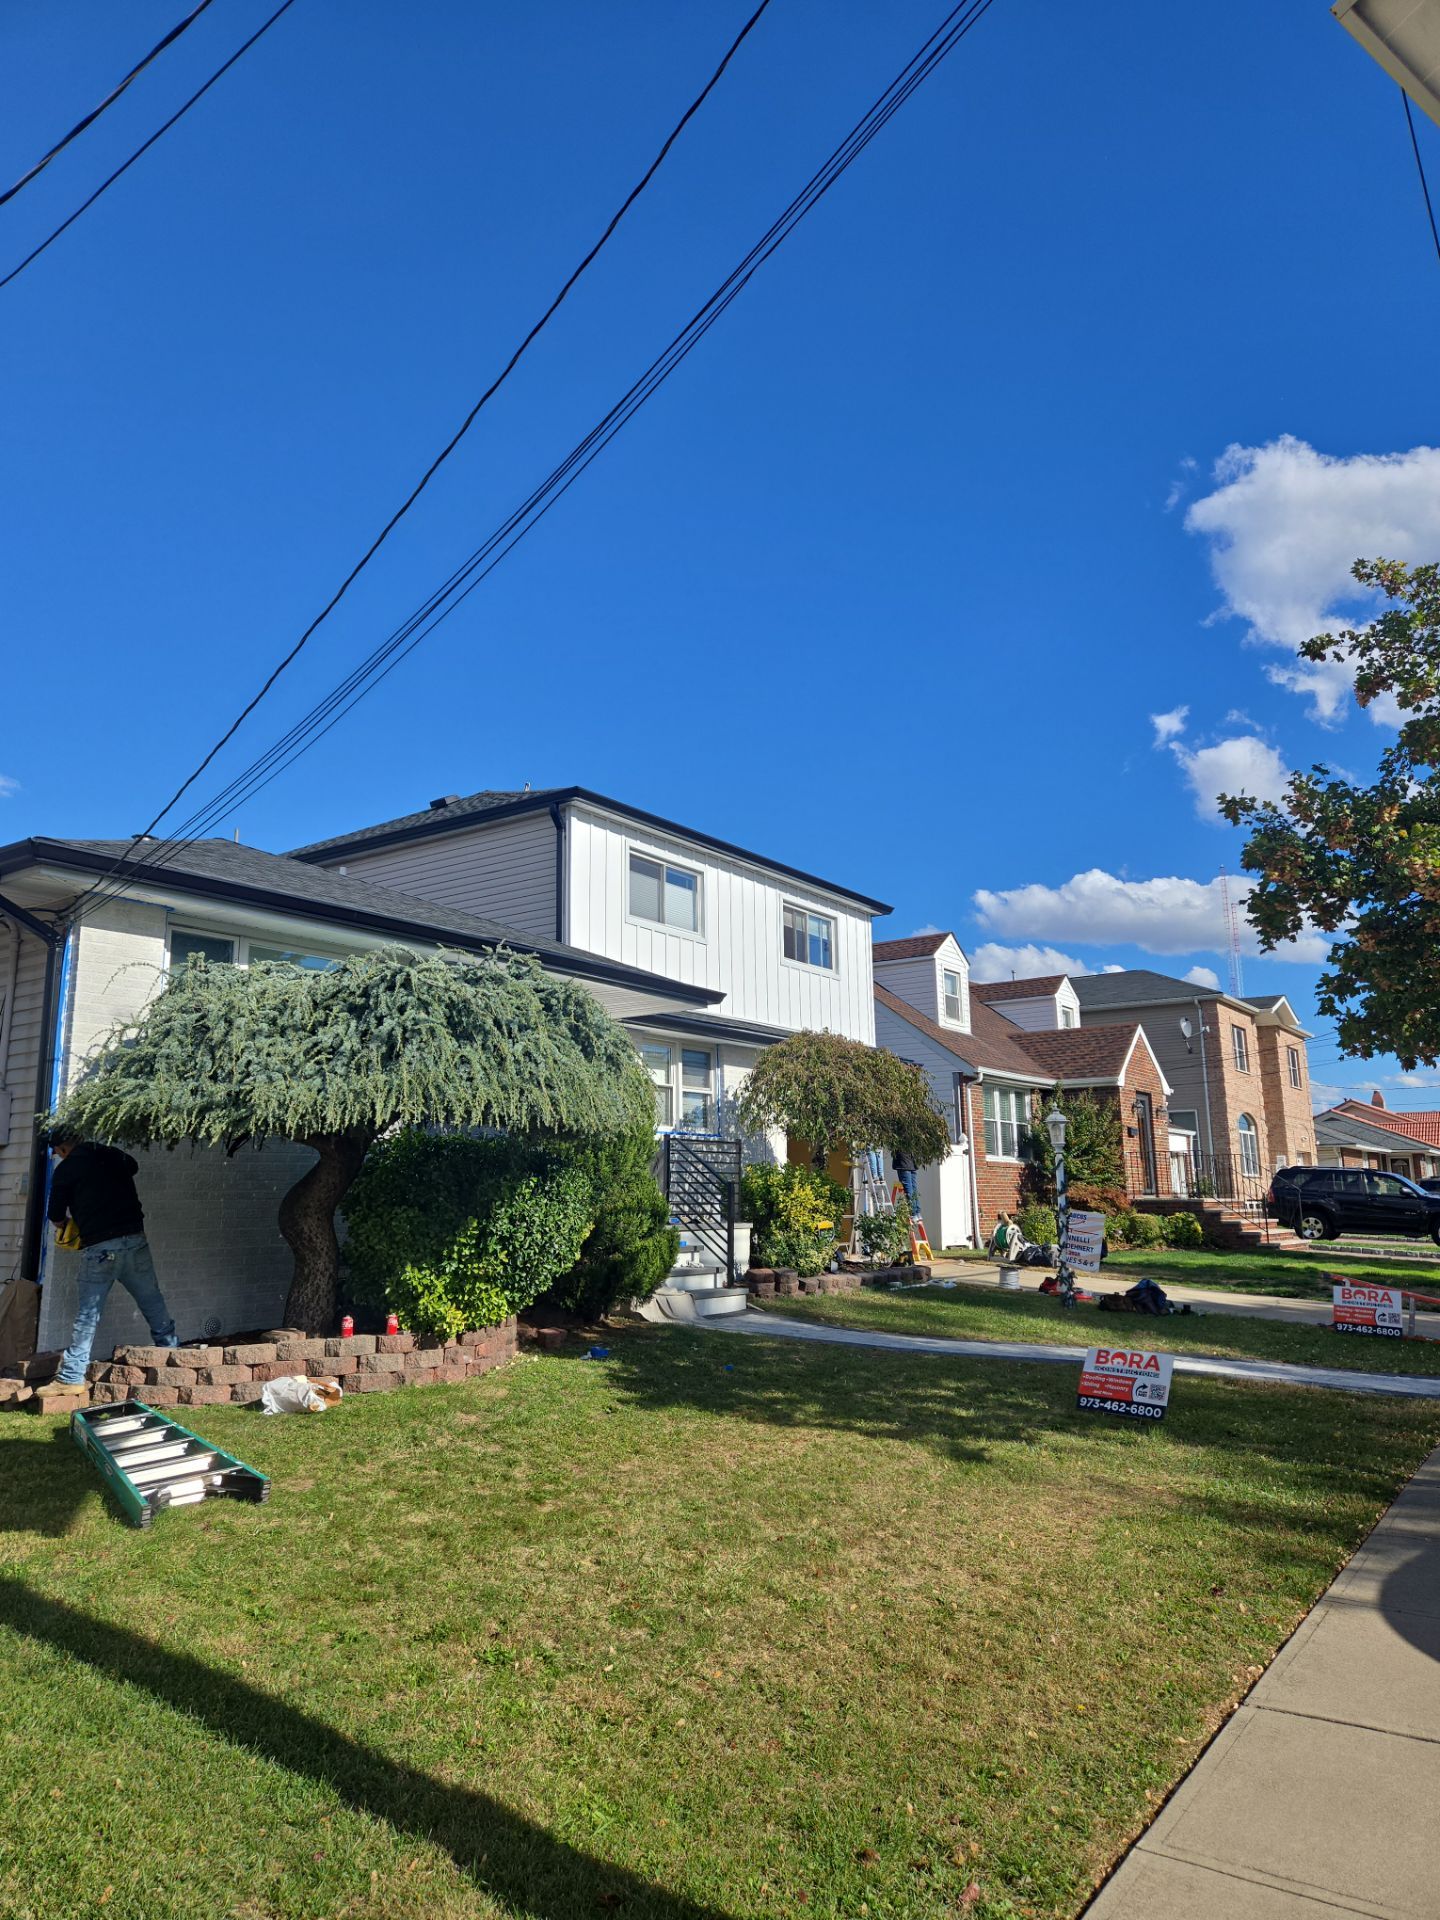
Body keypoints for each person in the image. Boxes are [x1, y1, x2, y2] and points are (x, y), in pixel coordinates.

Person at [46, 1124, 177, 1387]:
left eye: (57, 1152)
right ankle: (173, 1357)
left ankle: (71, 1377)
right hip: (135, 1240)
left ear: (61, 1148)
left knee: (88, 1314)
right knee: (152, 1301)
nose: (58, 1156)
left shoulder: (67, 1169)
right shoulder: (113, 1155)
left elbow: (56, 1216)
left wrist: (69, 1223)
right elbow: (133, 1166)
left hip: (101, 1248)